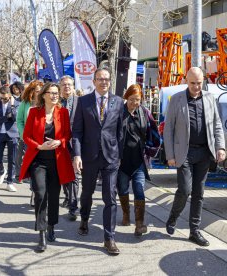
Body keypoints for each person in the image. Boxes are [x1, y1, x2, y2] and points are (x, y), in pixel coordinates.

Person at [164, 67, 226, 246]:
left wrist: (220, 147)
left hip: (204, 153)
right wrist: (170, 155)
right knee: (185, 190)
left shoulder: (209, 98)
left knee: (199, 193)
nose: (196, 87)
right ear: (186, 80)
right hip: (184, 153)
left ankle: (194, 231)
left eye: (199, 83)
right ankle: (173, 217)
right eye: (193, 83)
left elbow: (217, 124)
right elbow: (168, 130)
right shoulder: (176, 100)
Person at [72, 68, 124, 255]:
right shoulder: (83, 101)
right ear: (93, 81)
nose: (104, 82)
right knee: (87, 193)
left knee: (110, 197)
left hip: (111, 156)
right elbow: (77, 131)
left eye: (107, 79)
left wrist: (119, 156)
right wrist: (77, 155)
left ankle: (109, 238)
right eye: (100, 79)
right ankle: (84, 219)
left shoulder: (118, 102)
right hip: (89, 155)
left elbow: (120, 131)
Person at [19, 82, 75, 252]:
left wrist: (60, 141)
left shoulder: (63, 112)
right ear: (43, 95)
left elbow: (67, 134)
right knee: (40, 193)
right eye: (51, 92)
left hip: (57, 160)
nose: (55, 95)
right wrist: (38, 146)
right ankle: (42, 232)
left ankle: (51, 225)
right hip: (38, 160)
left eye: (57, 93)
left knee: (53, 195)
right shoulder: (34, 113)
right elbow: (26, 136)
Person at [118, 84, 160, 236]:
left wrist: (149, 150)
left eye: (137, 100)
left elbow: (154, 134)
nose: (134, 103)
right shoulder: (118, 113)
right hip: (121, 161)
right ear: (126, 98)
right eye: (131, 100)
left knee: (139, 190)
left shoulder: (145, 112)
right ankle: (125, 214)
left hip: (139, 161)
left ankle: (139, 224)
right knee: (122, 189)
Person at [0, 86, 20, 191]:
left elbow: (14, 117)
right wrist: (4, 118)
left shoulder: (17, 103)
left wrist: (12, 105)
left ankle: (10, 182)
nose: (3, 100)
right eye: (1, 98)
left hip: (12, 134)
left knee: (12, 159)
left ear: (9, 95)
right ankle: (2, 171)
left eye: (5, 98)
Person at [59, 75, 79, 221]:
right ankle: (67, 196)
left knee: (73, 175)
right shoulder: (56, 103)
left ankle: (73, 207)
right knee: (63, 175)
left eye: (69, 85)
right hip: (59, 143)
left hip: (75, 143)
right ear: (60, 87)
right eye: (64, 85)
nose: (67, 87)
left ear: (73, 87)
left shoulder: (81, 102)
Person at [16, 80, 43, 184]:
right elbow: (19, 121)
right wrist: (24, 136)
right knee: (32, 164)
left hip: (42, 140)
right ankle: (33, 186)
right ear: (32, 91)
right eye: (37, 91)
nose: (39, 93)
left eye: (41, 91)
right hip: (28, 140)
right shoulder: (25, 103)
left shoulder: (45, 103)